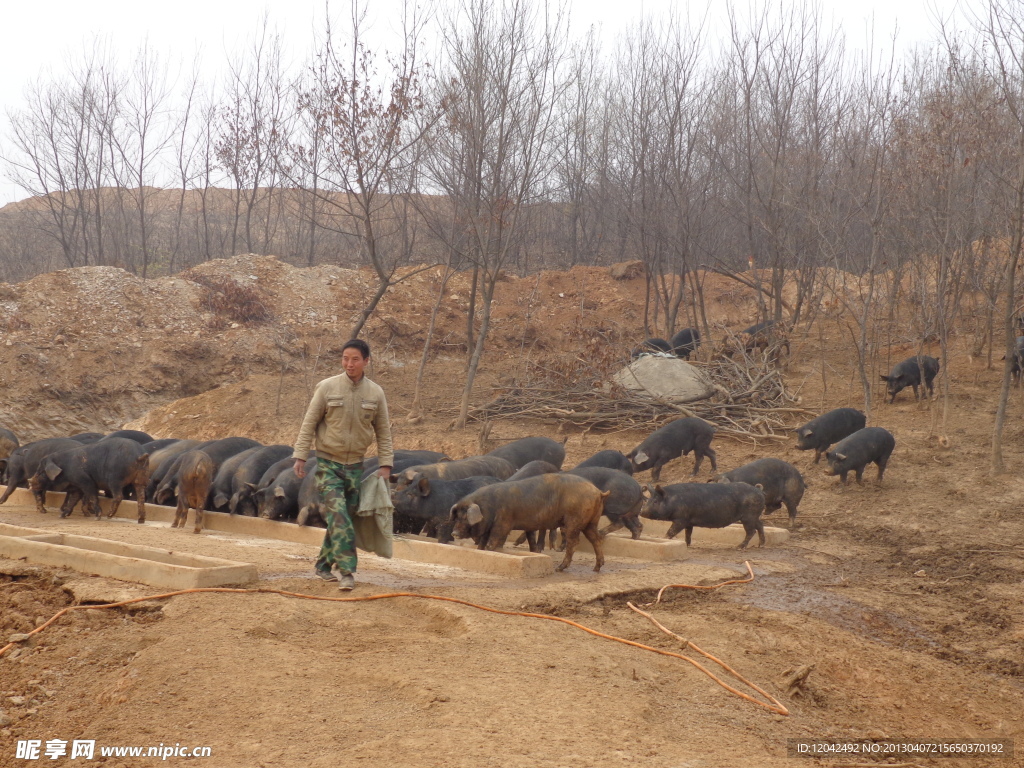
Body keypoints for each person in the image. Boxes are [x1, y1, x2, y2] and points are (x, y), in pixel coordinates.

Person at [293, 339, 393, 591]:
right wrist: (301, 455)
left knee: (344, 518)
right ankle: (347, 571)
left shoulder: (375, 393)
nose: (349, 364)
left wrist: (385, 464)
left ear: (366, 361)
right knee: (339, 515)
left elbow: (383, 431)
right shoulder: (327, 388)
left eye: (355, 359)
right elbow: (309, 423)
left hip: (356, 466)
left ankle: (323, 566)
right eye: (345, 358)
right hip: (328, 463)